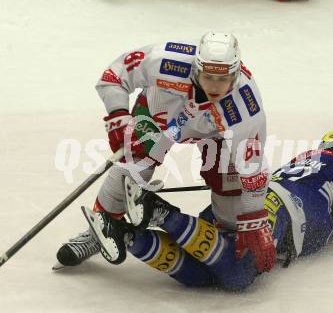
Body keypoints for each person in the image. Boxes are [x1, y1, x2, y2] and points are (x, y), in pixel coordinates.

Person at [55, 32, 275, 274]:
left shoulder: (245, 104)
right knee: (134, 165)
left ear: (236, 74)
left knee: (231, 186)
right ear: (195, 68)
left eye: (223, 79)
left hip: (217, 135)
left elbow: (252, 169)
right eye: (208, 76)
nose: (214, 86)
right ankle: (99, 230)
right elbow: (113, 76)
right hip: (158, 120)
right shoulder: (166, 60)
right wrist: (118, 115)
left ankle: (224, 233)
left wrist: (253, 221)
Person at [60, 130, 333, 291]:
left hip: (256, 197)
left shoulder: (302, 160)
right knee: (239, 276)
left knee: (201, 274)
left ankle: (127, 235)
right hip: (283, 210)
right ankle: (160, 213)